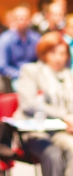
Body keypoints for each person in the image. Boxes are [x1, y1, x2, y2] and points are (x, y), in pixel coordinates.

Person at [14, 32, 73, 176]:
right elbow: (29, 104)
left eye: (62, 53)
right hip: (36, 130)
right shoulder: (31, 71)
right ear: (44, 53)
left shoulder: (68, 74)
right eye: (53, 53)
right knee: (54, 153)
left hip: (62, 130)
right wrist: (65, 115)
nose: (58, 58)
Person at [0, 6, 41, 81]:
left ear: (29, 20)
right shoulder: (5, 39)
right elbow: (1, 66)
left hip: (34, 76)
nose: (22, 21)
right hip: (15, 78)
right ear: (13, 20)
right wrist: (20, 75)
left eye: (25, 18)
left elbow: (41, 61)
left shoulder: (36, 38)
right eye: (19, 18)